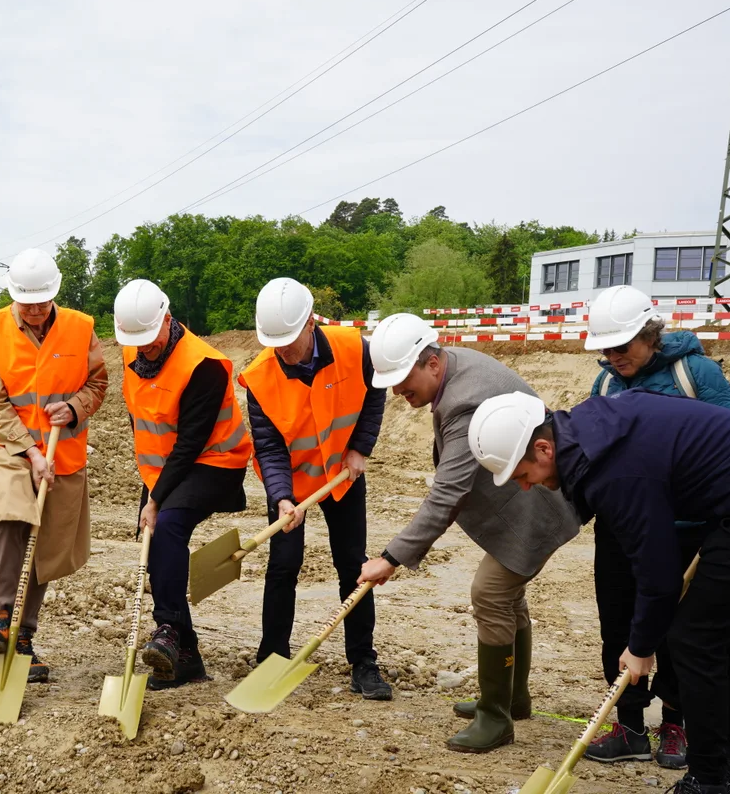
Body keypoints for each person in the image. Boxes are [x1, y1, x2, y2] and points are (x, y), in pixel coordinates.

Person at [469, 390, 730, 794]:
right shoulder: (591, 433)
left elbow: (658, 573)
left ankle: (709, 781)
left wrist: (640, 648)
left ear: (544, 448)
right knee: (719, 641)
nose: (527, 487)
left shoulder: (615, 473)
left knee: (695, 641)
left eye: (521, 474)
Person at [358, 313, 580, 752]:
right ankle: (513, 699)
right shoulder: (456, 366)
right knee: (507, 597)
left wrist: (392, 556)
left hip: (533, 503)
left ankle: (495, 717)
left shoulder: (465, 400)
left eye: (405, 379)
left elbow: (448, 492)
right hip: (524, 500)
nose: (400, 393)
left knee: (491, 593)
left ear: (433, 364)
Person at [582, 285, 730, 768]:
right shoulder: (608, 383)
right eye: (606, 349)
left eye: (623, 347)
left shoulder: (695, 373)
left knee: (679, 629)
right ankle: (629, 725)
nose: (613, 358)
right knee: (619, 622)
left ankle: (676, 723)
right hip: (623, 525)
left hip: (686, 526)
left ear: (651, 335)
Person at [238, 278, 391, 699]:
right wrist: (282, 496)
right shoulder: (259, 377)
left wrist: (360, 447)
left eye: (289, 340)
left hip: (342, 476)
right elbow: (268, 446)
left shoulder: (355, 348)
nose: (283, 351)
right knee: (283, 565)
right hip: (294, 484)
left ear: (310, 323)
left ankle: (363, 661)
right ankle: (272, 657)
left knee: (352, 565)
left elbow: (376, 393)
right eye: (275, 343)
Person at [0, 247, 108, 683]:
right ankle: (2, 618)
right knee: (9, 516)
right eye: (25, 301)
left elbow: (99, 382)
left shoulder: (81, 328)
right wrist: (29, 451)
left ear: (54, 295)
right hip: (4, 445)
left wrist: (75, 406)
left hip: (61, 451)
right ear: (13, 295)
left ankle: (23, 638)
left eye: (41, 301)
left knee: (46, 546)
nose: (32, 309)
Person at [113, 279, 252, 688]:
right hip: (162, 466)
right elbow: (140, 413)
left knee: (168, 525)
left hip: (215, 461)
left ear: (167, 319)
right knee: (153, 540)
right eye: (135, 341)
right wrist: (151, 484)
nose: (144, 348)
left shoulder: (203, 364)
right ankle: (186, 654)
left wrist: (156, 499)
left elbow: (192, 441)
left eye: (150, 338)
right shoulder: (133, 349)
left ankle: (168, 629)